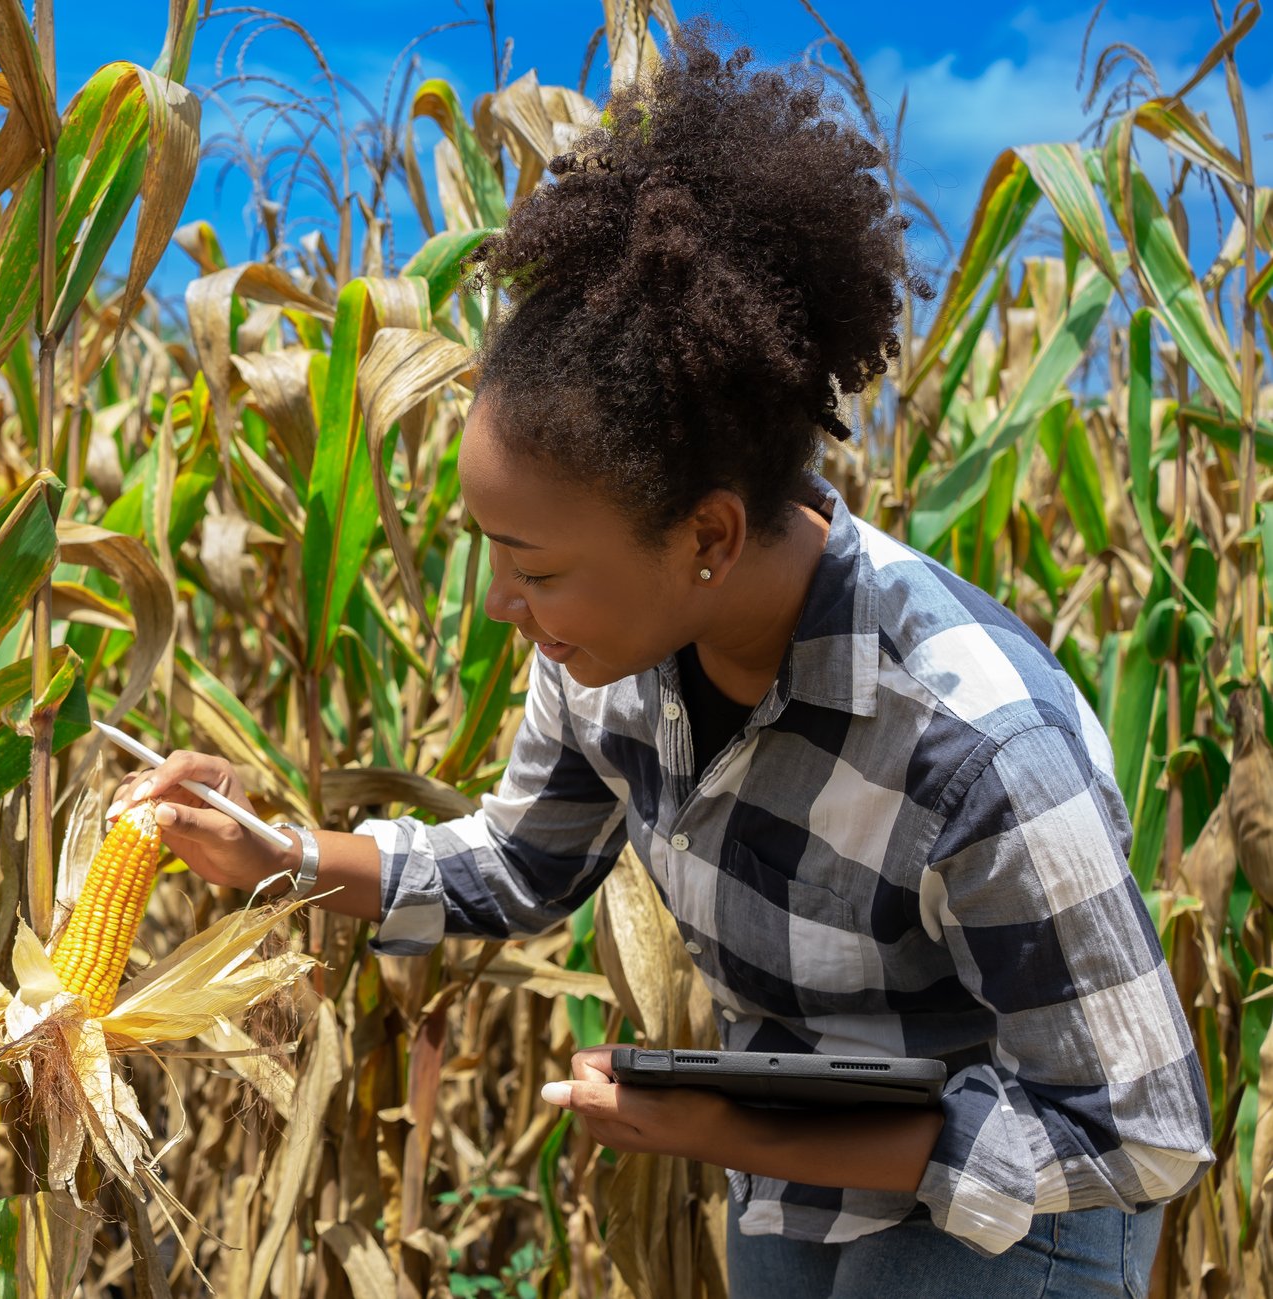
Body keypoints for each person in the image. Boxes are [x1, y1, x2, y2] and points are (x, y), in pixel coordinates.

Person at [107, 26, 1212, 1298]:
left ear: (706, 536)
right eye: (488, 554)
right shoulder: (608, 653)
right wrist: (279, 858)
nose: (497, 609)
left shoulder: (974, 743)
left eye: (532, 567)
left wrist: (725, 1128)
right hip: (789, 1175)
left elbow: (1137, 1131)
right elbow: (515, 868)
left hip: (1010, 1210)